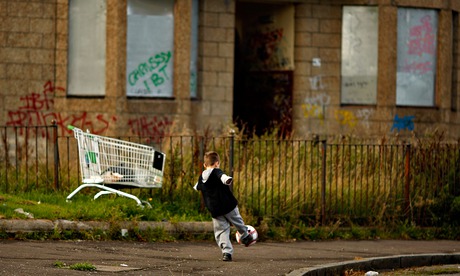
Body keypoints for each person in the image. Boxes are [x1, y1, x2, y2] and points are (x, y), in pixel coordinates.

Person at [193, 151, 254, 262]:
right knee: (237, 221)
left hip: (215, 209)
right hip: (228, 205)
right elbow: (223, 177)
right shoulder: (217, 171)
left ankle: (226, 253)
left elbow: (197, 187)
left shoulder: (201, 177)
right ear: (217, 163)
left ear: (204, 165)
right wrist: (227, 179)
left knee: (221, 231)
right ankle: (245, 236)